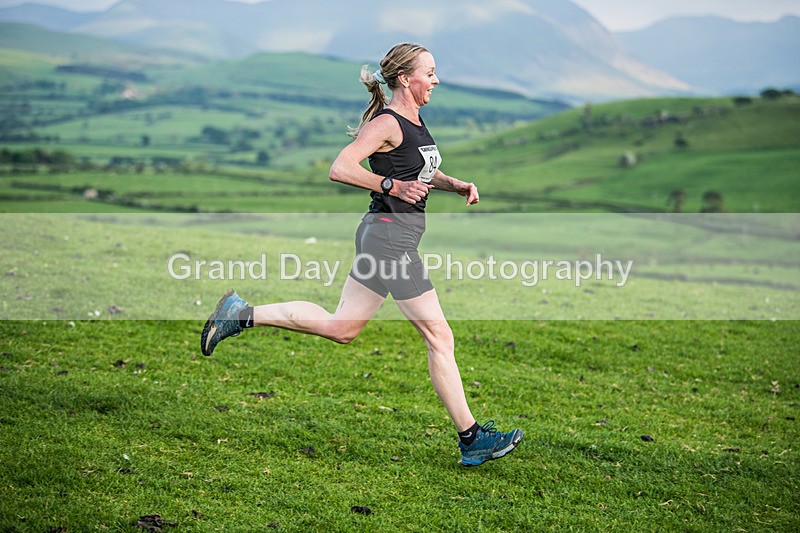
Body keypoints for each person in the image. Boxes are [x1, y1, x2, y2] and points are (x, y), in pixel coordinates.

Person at [201, 43, 522, 467]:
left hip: (384, 237)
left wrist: (455, 183)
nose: (437, 80)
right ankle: (472, 439)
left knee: (342, 327)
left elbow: (417, 172)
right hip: (391, 239)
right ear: (406, 78)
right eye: (431, 72)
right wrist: (390, 188)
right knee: (439, 337)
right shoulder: (387, 122)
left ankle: (239, 313)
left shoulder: (414, 121)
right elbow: (341, 167)